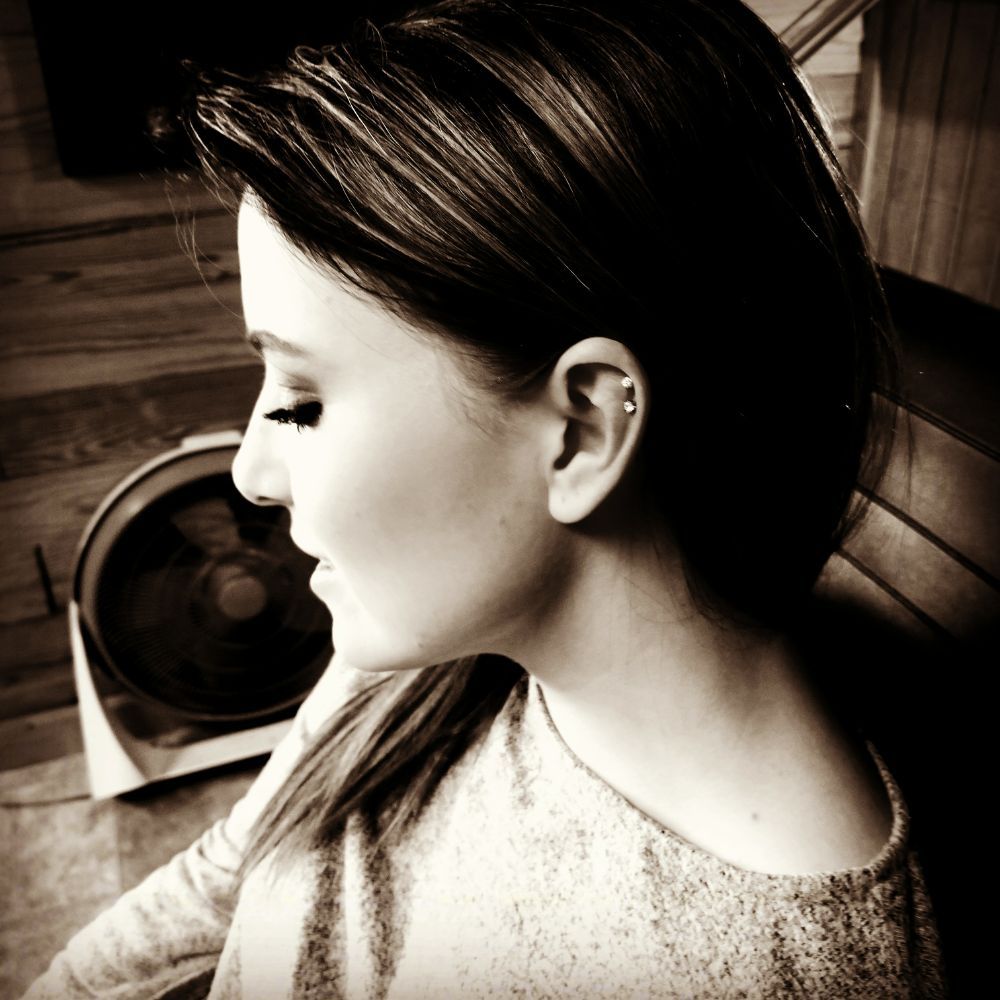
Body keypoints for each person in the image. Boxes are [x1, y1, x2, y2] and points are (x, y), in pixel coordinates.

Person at [26, 1, 947, 996]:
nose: (250, 471)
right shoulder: (421, 658)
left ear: (580, 430)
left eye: (301, 400)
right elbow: (226, 876)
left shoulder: (771, 974)